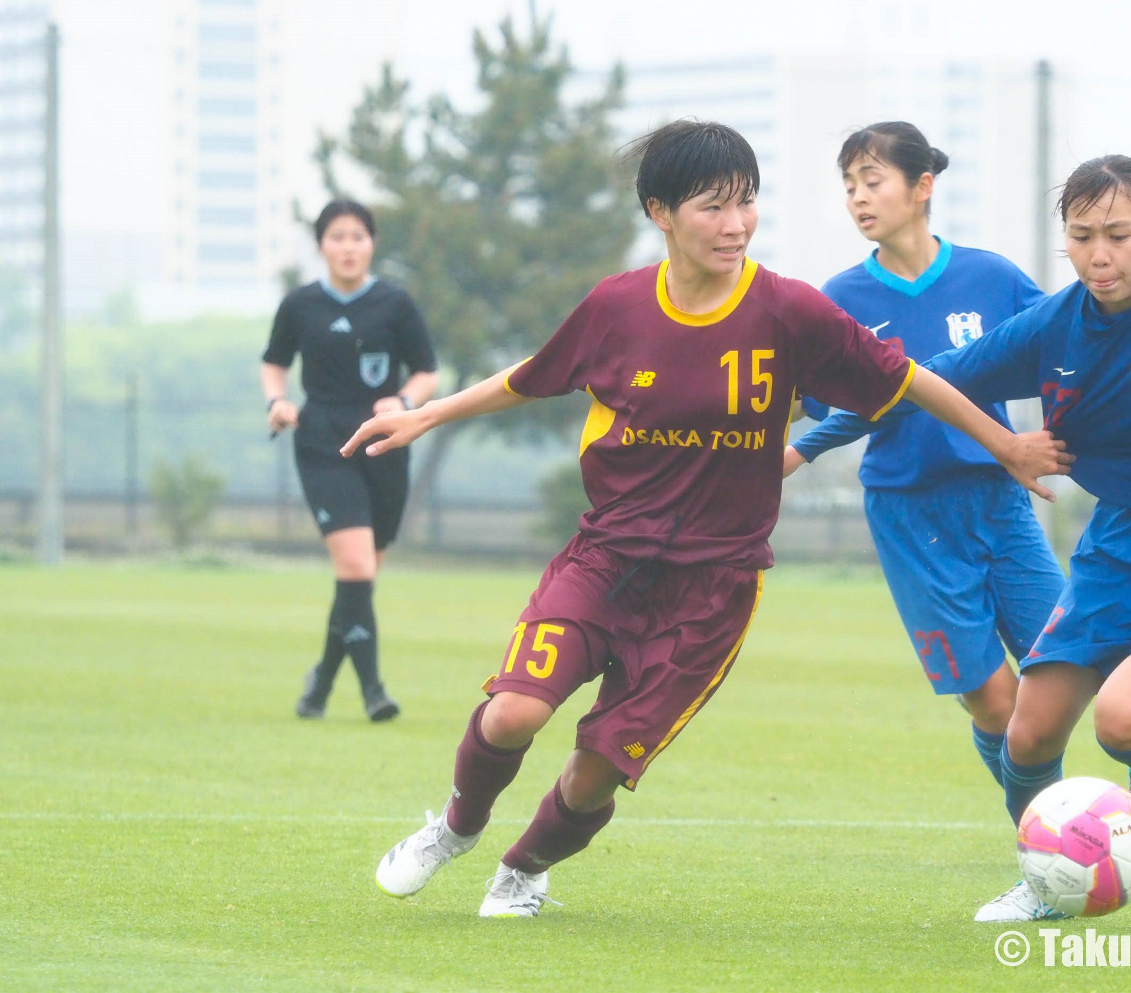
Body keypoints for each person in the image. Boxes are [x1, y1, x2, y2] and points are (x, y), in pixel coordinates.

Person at [341, 120, 1070, 918]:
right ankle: (455, 828)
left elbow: (910, 382)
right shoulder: (617, 306)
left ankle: (522, 871)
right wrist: (424, 417)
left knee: (594, 770)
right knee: (513, 711)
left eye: (747, 204)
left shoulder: (790, 311)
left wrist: (1005, 445)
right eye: (713, 207)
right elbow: (532, 376)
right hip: (607, 560)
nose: (735, 225)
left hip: (713, 591)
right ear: (660, 211)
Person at [787, 154, 1131, 922]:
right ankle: (1049, 878)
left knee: (1122, 721)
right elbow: (924, 381)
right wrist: (801, 442)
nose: (1100, 254)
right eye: (1083, 236)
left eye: (1119, 235)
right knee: (1027, 736)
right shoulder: (1057, 325)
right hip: (1123, 540)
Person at [795, 122, 1066, 789]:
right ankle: (1044, 828)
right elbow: (821, 408)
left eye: (872, 181)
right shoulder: (840, 302)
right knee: (997, 703)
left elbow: (1065, 354)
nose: (858, 197)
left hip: (999, 503)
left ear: (922, 187)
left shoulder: (992, 278)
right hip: (911, 514)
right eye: (849, 186)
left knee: (1065, 668)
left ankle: (1117, 787)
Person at [261, 198, 439, 722]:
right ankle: (374, 693)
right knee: (356, 566)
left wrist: (404, 401)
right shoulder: (299, 305)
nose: (347, 246)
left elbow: (427, 370)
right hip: (322, 444)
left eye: (357, 236)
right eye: (337, 236)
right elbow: (274, 363)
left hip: (384, 445)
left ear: (371, 244)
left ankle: (319, 682)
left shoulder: (396, 303)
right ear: (321, 245)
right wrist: (277, 402)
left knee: (360, 578)